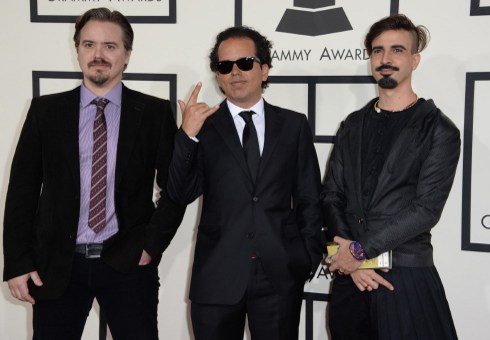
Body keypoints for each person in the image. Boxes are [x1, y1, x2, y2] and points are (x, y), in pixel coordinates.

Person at [3, 7, 185, 340]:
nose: (98, 54)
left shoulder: (155, 113)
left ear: (127, 54)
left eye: (110, 46)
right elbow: (23, 190)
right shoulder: (46, 111)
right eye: (89, 45)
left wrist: (150, 246)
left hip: (129, 264)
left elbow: (175, 188)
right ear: (78, 51)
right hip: (57, 265)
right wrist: (16, 263)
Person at [167, 26, 323, 340]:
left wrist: (307, 258)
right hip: (216, 274)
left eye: (245, 63)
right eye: (225, 66)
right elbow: (180, 192)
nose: (235, 72)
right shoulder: (203, 127)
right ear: (218, 75)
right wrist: (187, 136)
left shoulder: (293, 125)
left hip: (279, 275)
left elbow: (309, 196)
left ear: (264, 70)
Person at [321, 14, 460, 340]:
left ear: (414, 59)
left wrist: (357, 254)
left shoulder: (439, 130)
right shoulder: (352, 125)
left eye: (397, 50)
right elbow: (330, 195)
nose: (385, 59)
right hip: (351, 281)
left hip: (404, 276)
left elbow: (426, 209)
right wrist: (348, 258)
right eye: (377, 50)